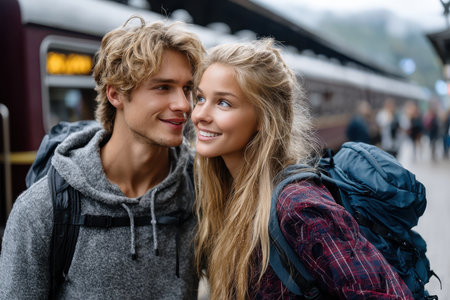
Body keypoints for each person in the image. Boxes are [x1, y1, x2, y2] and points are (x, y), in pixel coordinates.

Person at [191, 39, 413, 299]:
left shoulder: (298, 207)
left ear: (265, 117)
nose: (199, 115)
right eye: (200, 98)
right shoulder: (226, 193)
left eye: (223, 103)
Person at [0, 16, 204, 298]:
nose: (184, 105)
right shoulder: (42, 211)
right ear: (116, 94)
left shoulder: (201, 189)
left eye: (187, 89)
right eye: (162, 87)